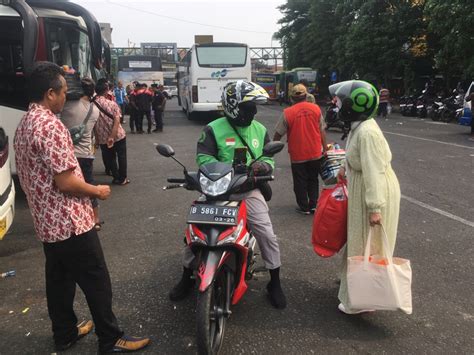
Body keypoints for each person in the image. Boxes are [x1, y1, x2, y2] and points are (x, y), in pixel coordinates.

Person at [13, 61, 149, 353]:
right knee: (96, 279)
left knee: (59, 282)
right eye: (63, 91)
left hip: (46, 224)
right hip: (69, 222)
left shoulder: (24, 123)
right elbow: (66, 182)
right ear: (50, 93)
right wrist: (97, 190)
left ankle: (64, 334)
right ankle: (110, 339)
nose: (65, 96)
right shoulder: (50, 125)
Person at [169, 80, 287, 309]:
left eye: (254, 106)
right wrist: (222, 172)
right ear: (233, 105)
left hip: (248, 190)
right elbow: (204, 158)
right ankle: (186, 276)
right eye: (248, 106)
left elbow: (269, 158)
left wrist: (262, 167)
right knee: (193, 233)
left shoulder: (260, 130)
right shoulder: (213, 128)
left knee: (266, 233)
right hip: (216, 191)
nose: (253, 111)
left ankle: (275, 281)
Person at [329, 80, 401, 314]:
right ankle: (351, 282)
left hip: (374, 191)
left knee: (368, 244)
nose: (336, 105)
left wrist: (375, 208)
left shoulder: (367, 133)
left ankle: (360, 301)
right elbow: (354, 156)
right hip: (364, 189)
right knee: (358, 239)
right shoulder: (358, 126)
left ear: (353, 105)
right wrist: (344, 168)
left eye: (339, 102)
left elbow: (373, 172)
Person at [273, 84, 327, 215]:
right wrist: (325, 148)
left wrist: (272, 148)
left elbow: (278, 133)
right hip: (315, 152)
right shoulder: (316, 109)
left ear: (292, 97)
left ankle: (304, 207)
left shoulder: (288, 112)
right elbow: (322, 131)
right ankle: (313, 205)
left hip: (298, 154)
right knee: (313, 179)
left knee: (300, 181)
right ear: (305, 95)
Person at [60, 77, 103, 231]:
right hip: (85, 154)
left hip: (68, 153)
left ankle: (73, 219)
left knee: (69, 188)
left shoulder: (67, 104)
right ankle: (95, 219)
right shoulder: (95, 110)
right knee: (88, 186)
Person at [94, 79, 130, 185]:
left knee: (110, 157)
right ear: (106, 91)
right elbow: (117, 121)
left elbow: (93, 125)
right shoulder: (112, 104)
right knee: (122, 156)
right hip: (118, 135)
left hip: (102, 137)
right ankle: (122, 178)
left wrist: (97, 139)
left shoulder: (91, 105)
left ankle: (115, 177)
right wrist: (112, 136)